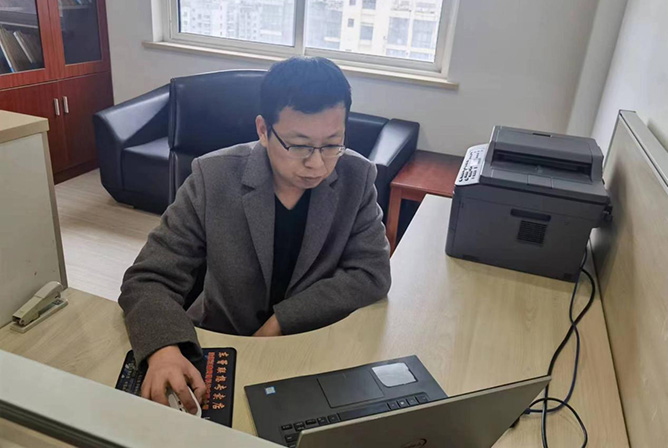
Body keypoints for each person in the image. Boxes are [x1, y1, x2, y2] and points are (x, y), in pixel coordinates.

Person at [118, 56, 391, 414]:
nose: (317, 163)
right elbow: (148, 277)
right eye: (299, 145)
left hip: (312, 348)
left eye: (331, 144)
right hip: (221, 341)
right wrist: (164, 348)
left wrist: (283, 320)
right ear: (263, 129)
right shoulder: (212, 177)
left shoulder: (357, 177)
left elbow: (371, 273)